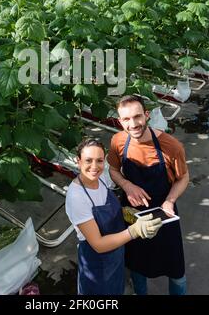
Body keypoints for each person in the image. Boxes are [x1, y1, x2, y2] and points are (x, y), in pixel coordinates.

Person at [108, 95, 189, 295]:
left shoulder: (171, 146)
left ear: (146, 115)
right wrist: (127, 185)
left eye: (137, 117)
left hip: (165, 214)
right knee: (137, 264)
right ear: (120, 121)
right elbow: (113, 170)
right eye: (126, 119)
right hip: (133, 215)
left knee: (175, 267)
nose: (133, 124)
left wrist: (170, 201)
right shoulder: (118, 141)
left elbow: (184, 177)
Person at [65, 138, 163, 295]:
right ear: (78, 161)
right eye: (88, 160)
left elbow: (108, 207)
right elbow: (98, 244)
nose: (94, 167)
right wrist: (134, 231)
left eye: (99, 161)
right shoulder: (77, 197)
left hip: (116, 253)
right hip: (97, 262)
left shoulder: (101, 179)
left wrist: (129, 214)